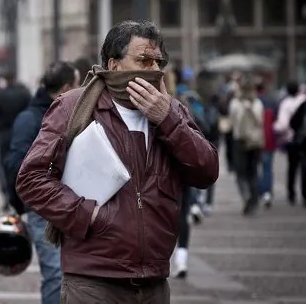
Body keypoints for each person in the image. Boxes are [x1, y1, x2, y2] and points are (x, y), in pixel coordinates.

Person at [16, 20, 219, 303]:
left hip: (154, 281)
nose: (152, 69)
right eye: (143, 60)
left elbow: (207, 170)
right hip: (93, 280)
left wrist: (168, 120)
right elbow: (31, 179)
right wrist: (88, 215)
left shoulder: (172, 110)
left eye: (158, 62)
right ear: (113, 65)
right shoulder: (73, 107)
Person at [5, 61, 80, 304]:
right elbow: (15, 165)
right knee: (56, 275)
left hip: (72, 205)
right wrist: (22, 205)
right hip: (43, 209)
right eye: (78, 85)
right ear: (67, 87)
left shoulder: (70, 114)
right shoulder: (31, 119)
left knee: (73, 276)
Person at [0, 68, 31, 211]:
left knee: (4, 166)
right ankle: (20, 194)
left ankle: (7, 195)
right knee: (21, 165)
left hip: (3, 133)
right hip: (21, 132)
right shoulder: (24, 94)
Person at [229, 78, 265, 216]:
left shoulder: (235, 103)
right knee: (254, 172)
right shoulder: (257, 103)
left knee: (241, 173)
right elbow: (260, 122)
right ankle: (254, 201)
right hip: (255, 142)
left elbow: (232, 122)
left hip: (240, 141)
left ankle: (246, 195)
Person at [274, 81, 306, 205]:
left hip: (292, 140)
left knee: (292, 167)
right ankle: (304, 194)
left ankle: (291, 193)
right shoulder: (302, 101)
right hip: (303, 140)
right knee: (304, 168)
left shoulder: (285, 103)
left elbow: (283, 123)